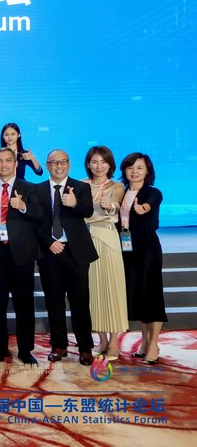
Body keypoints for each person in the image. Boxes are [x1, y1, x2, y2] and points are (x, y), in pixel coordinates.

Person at [35, 150, 98, 365]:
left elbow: (87, 211)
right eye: (54, 162)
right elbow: (35, 223)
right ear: (47, 165)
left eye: (63, 162)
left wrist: (74, 203)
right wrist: (48, 242)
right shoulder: (38, 190)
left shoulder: (80, 187)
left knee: (80, 302)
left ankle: (85, 348)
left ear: (69, 164)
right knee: (54, 301)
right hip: (50, 252)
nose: (58, 166)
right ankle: (59, 345)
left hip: (75, 252)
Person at [0, 149, 42, 365]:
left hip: (21, 255)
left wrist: (23, 206)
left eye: (8, 160)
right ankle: (0, 347)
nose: (4, 164)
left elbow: (39, 215)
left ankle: (25, 349)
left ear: (15, 163)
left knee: (24, 304)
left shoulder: (29, 188)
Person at [120, 152, 165, 365]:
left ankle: (154, 344)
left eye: (139, 167)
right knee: (138, 296)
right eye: (130, 167)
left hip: (147, 250)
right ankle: (145, 342)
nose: (134, 171)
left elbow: (150, 204)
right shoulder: (122, 192)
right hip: (127, 248)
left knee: (152, 296)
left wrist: (142, 208)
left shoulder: (153, 192)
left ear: (147, 171)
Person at [83, 146, 128, 361]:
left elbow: (115, 205)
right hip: (86, 240)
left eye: (103, 162)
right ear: (88, 164)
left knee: (112, 289)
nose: (99, 166)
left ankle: (114, 342)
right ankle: (101, 340)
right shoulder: (81, 185)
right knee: (92, 291)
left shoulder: (116, 186)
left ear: (110, 164)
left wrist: (109, 205)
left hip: (108, 239)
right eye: (94, 162)